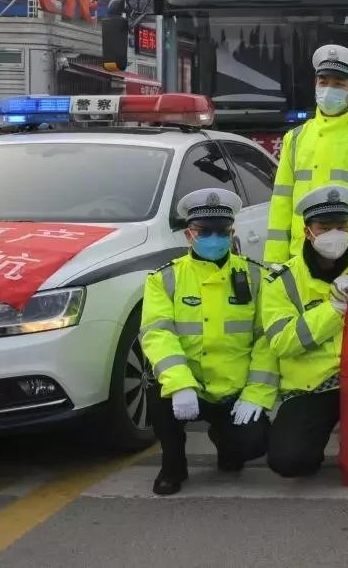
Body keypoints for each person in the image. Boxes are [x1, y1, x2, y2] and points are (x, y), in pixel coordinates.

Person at [139, 189, 277, 495]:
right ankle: (173, 464)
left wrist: (256, 394)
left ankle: (226, 443)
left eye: (221, 231)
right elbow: (157, 334)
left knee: (254, 445)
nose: (213, 238)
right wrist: (180, 385)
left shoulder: (255, 276)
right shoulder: (164, 279)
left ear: (232, 233)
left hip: (234, 391)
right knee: (158, 392)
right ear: (189, 234)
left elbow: (266, 339)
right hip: (190, 386)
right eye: (204, 231)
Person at [261, 184, 348, 477]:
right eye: (324, 228)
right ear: (307, 231)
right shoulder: (282, 280)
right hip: (313, 386)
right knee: (290, 461)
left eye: (341, 227)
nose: (334, 235)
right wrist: (333, 309)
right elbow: (282, 342)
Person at [264, 44, 348, 267]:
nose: (328, 89)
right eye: (323, 82)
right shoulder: (295, 138)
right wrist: (274, 261)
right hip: (301, 257)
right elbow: (281, 203)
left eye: (338, 84)